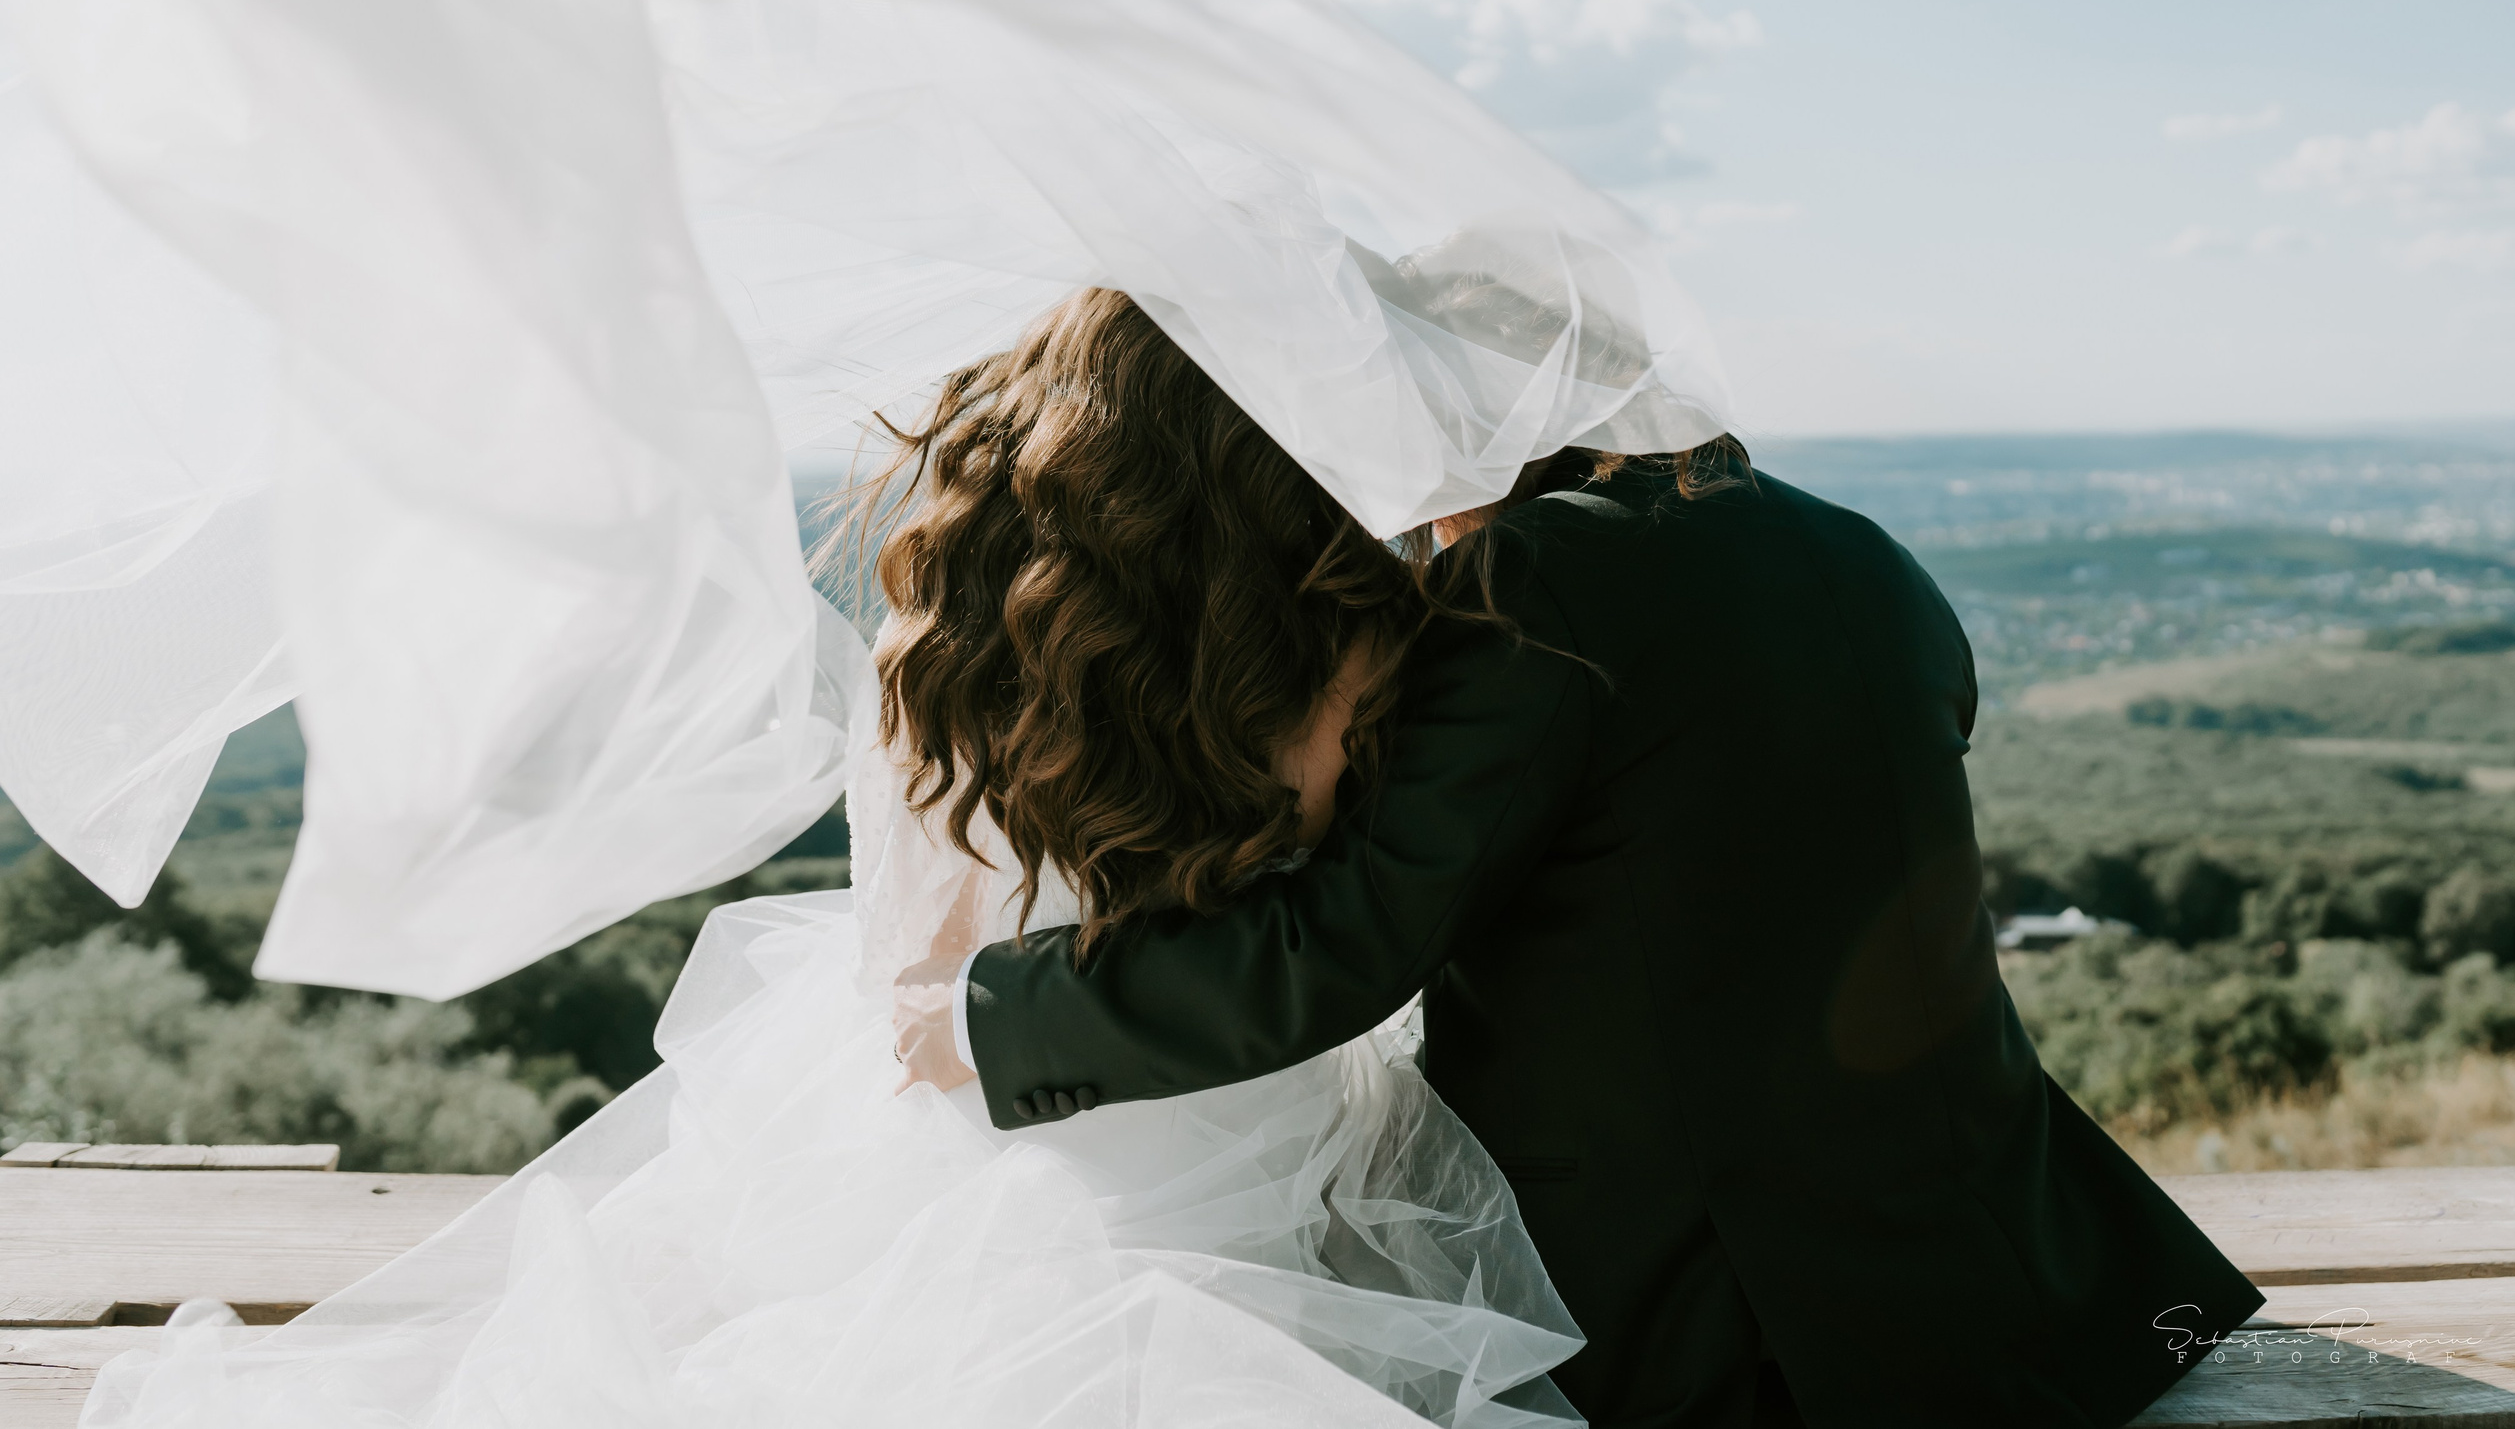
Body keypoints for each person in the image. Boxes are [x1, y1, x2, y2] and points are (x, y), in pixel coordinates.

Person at [76, 286, 1585, 1429]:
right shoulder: (1338, 655)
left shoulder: (936, 660)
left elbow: (914, 996)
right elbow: (1353, 915)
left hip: (983, 1132)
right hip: (1254, 1178)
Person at [897, 437, 2268, 1427]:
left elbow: (1348, 937)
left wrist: (995, 1014)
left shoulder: (1540, 583)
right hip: (1999, 1258)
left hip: (1719, 1301)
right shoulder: (1855, 545)